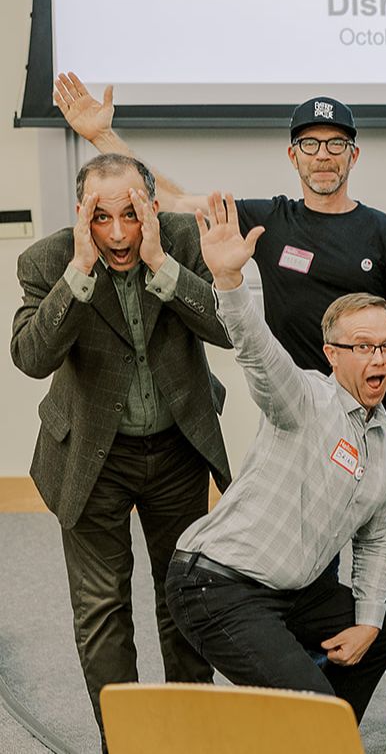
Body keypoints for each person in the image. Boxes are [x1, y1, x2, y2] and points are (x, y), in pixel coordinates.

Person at [52, 75, 386, 699]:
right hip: (296, 412)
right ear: (293, 155)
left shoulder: (385, 232)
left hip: (371, 426)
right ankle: (299, 692)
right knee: (300, 561)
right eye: (310, 144)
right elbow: (169, 198)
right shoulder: (270, 219)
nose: (323, 155)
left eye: (336, 144)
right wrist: (103, 138)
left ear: (354, 154)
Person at [11, 154, 231, 748]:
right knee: (102, 607)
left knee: (183, 592)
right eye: (100, 217)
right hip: (91, 453)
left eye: (130, 215)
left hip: (177, 449)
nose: (116, 233)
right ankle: (126, 740)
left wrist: (161, 263)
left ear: (152, 209)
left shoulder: (185, 240)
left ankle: (192, 738)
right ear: (81, 216)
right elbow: (31, 358)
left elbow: (227, 327)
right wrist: (79, 272)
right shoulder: (48, 261)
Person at [166, 193, 386, 723]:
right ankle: (314, 727)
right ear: (332, 355)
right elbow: (258, 351)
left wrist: (367, 621)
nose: (378, 358)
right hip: (216, 583)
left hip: (291, 594)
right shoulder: (303, 399)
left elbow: (377, 540)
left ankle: (316, 732)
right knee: (313, 710)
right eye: (362, 346)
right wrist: (229, 282)